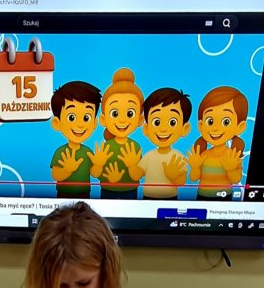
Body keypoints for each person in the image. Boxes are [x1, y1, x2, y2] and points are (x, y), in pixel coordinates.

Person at [88, 68, 144, 199]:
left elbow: (138, 175)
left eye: (130, 113)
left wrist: (132, 166)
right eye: (115, 113)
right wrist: (98, 165)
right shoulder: (106, 147)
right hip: (107, 190)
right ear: (103, 119)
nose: (122, 120)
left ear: (140, 120)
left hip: (130, 191)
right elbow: (95, 174)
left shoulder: (135, 147)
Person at [185, 86, 248, 201]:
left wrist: (231, 169)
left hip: (224, 198)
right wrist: (195, 167)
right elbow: (193, 178)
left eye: (226, 122)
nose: (215, 128)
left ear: (240, 127)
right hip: (202, 197)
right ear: (201, 126)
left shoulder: (233, 156)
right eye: (210, 121)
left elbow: (236, 179)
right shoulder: (204, 154)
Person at [50, 81, 102, 198]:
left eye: (86, 118)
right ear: (57, 123)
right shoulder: (61, 151)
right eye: (71, 117)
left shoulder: (88, 152)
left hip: (85, 194)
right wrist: (67, 170)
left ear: (94, 123)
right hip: (63, 195)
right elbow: (55, 174)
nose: (80, 125)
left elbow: (94, 174)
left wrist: (98, 165)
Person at [139, 87, 191, 199]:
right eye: (156, 122)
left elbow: (182, 182)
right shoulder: (149, 156)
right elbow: (136, 175)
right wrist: (131, 165)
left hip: (170, 199)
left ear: (184, 128)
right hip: (147, 199)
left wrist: (174, 176)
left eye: (172, 122)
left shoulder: (178, 157)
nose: (163, 129)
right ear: (146, 128)